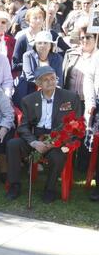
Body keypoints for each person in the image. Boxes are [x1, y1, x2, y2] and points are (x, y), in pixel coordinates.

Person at [6, 66, 82, 204]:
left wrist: (54, 142)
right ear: (38, 84)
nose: (50, 82)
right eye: (45, 79)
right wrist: (34, 143)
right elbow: (23, 126)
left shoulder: (70, 97)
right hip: (36, 136)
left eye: (52, 78)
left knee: (58, 156)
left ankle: (50, 189)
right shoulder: (28, 100)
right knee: (13, 145)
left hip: (58, 137)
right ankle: (14, 185)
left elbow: (75, 124)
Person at [16, 31, 63, 104]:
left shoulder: (57, 58)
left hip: (51, 91)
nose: (42, 45)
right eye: (39, 43)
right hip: (29, 91)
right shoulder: (27, 56)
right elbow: (29, 77)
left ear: (51, 45)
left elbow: (58, 77)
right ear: (35, 45)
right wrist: (47, 86)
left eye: (46, 43)